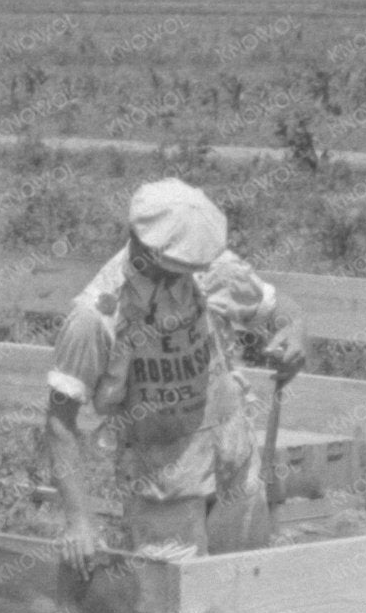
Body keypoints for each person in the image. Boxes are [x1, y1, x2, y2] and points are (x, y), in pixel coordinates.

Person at [43, 178, 305, 571]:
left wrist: (295, 333)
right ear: (141, 244)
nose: (183, 279)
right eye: (173, 270)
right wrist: (80, 518)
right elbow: (59, 421)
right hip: (164, 490)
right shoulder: (96, 316)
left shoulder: (210, 269)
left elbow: (281, 308)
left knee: (246, 587)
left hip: (234, 465)